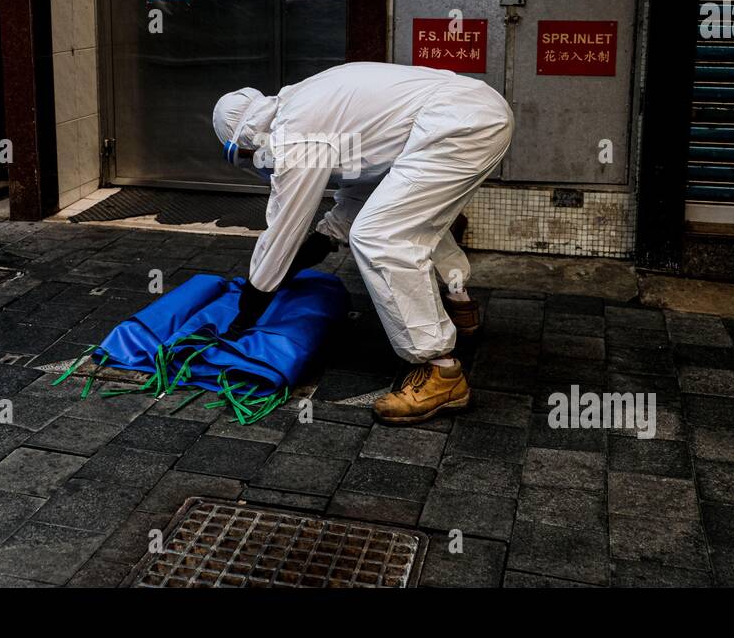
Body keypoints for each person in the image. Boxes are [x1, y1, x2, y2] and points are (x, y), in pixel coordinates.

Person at [212, 61, 514, 425]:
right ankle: (460, 306)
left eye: (243, 154)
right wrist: (303, 256)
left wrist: (250, 306)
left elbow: (283, 231)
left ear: (246, 136)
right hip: (476, 110)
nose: (253, 161)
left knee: (381, 236)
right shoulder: (308, 102)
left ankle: (441, 372)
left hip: (455, 126)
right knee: (409, 218)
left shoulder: (294, 134)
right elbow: (357, 200)